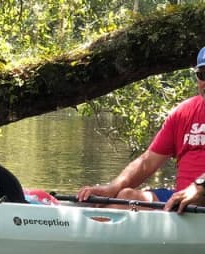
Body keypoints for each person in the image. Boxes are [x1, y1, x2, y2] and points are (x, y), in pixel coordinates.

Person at [77, 46, 205, 214]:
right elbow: (147, 162)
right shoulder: (184, 112)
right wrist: (112, 188)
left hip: (198, 200)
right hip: (181, 201)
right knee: (126, 195)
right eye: (203, 74)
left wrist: (199, 188)